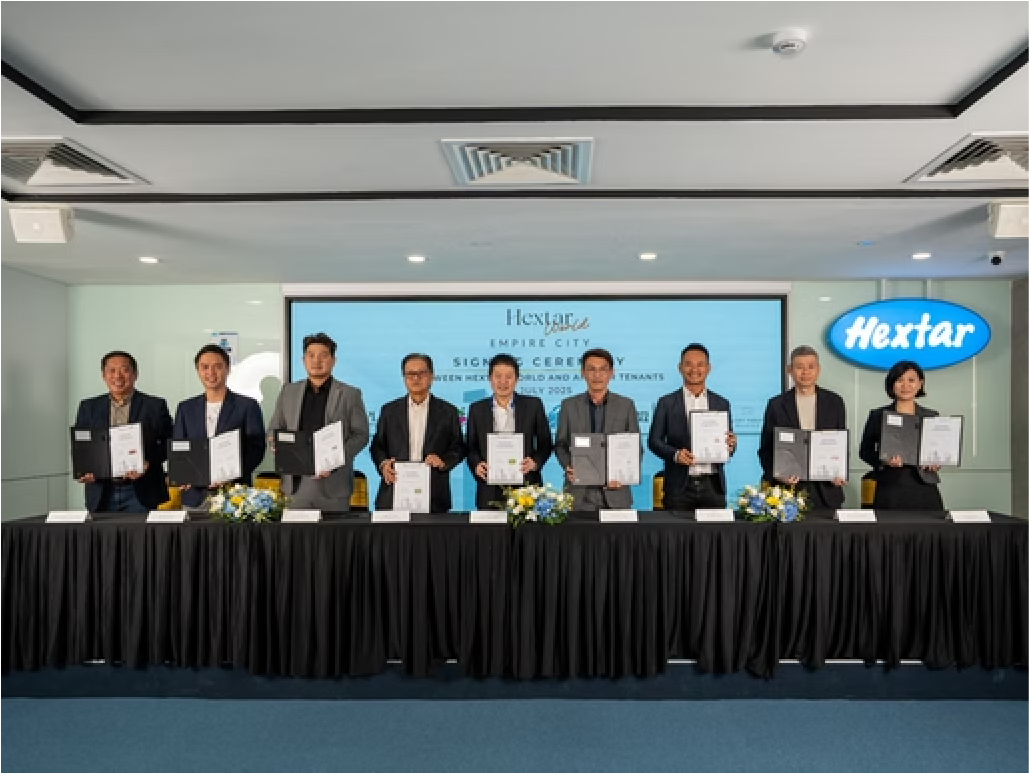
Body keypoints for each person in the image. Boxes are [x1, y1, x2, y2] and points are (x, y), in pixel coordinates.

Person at [267, 333, 369, 511]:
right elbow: (274, 428)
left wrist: (335, 460)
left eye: (323, 355)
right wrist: (274, 442)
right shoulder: (288, 392)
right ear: (303, 360)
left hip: (334, 484)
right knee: (296, 530)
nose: (316, 361)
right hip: (296, 485)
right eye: (311, 355)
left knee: (335, 530)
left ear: (333, 360)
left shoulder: (350, 394)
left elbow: (361, 435)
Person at [73, 350, 173, 513]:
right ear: (103, 375)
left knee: (141, 531)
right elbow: (81, 445)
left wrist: (148, 462)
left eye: (124, 370)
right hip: (101, 490)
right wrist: (84, 469)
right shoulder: (89, 407)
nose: (117, 376)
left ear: (135, 374)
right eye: (111, 371)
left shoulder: (154, 406)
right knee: (102, 531)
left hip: (142, 491)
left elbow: (169, 443)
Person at [172, 344, 267, 507]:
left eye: (217, 366)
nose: (211, 372)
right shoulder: (185, 408)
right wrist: (182, 474)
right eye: (205, 367)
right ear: (197, 371)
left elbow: (256, 450)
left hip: (234, 496)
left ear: (227, 369)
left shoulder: (247, 406)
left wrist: (230, 475)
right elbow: (179, 447)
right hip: (194, 496)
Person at [370, 353, 466, 513]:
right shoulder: (389, 411)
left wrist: (443, 461)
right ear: (404, 378)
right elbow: (377, 446)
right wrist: (383, 464)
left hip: (434, 494)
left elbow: (459, 448)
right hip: (394, 490)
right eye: (410, 374)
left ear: (431, 376)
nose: (416, 378)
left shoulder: (448, 411)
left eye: (421, 373)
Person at [758, 345, 847, 510]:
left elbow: (841, 444)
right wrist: (777, 475)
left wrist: (840, 471)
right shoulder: (776, 405)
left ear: (818, 370)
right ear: (789, 370)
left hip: (827, 490)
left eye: (810, 367)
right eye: (799, 367)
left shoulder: (835, 402)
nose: (805, 372)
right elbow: (765, 449)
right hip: (788, 491)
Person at [648, 343, 737, 510]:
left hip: (713, 485)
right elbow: (654, 441)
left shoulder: (721, 403)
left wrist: (731, 445)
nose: (694, 369)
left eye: (700, 364)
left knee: (715, 528)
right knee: (676, 528)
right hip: (679, 486)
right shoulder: (666, 402)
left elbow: (728, 443)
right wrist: (675, 455)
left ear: (708, 368)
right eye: (688, 364)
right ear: (679, 368)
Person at [554, 348, 640, 511]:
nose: (597, 374)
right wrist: (568, 466)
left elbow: (635, 447)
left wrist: (624, 475)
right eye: (591, 369)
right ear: (582, 373)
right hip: (579, 493)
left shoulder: (626, 405)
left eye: (602, 369)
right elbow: (560, 445)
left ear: (611, 373)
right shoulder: (569, 405)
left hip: (616, 492)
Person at [465, 353, 554, 509]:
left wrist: (534, 462)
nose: (503, 382)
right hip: (489, 487)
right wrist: (477, 464)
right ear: (490, 379)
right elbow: (470, 446)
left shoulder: (533, 405)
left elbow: (545, 443)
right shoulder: (477, 409)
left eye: (508, 377)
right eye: (498, 376)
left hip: (526, 485)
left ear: (517, 379)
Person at [858, 360, 944, 510]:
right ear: (892, 384)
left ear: (920, 384)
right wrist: (884, 461)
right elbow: (865, 451)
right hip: (890, 488)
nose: (905, 385)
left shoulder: (932, 416)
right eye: (899, 380)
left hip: (924, 486)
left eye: (911, 380)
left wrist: (936, 462)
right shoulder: (878, 415)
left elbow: (938, 451)